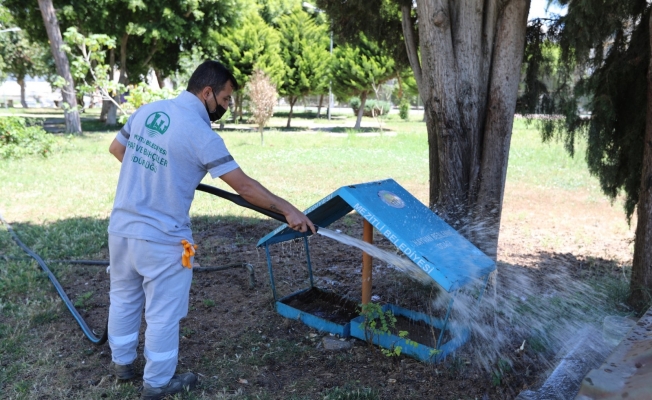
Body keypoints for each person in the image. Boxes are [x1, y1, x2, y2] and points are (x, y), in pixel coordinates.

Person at [106, 60, 315, 400]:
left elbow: (118, 149)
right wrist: (288, 209)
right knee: (163, 312)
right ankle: (158, 383)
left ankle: (122, 364)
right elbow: (244, 188)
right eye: (226, 99)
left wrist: (159, 174)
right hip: (162, 238)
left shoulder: (148, 111)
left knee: (124, 296)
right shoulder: (203, 135)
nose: (228, 107)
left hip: (121, 228)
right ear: (207, 93)